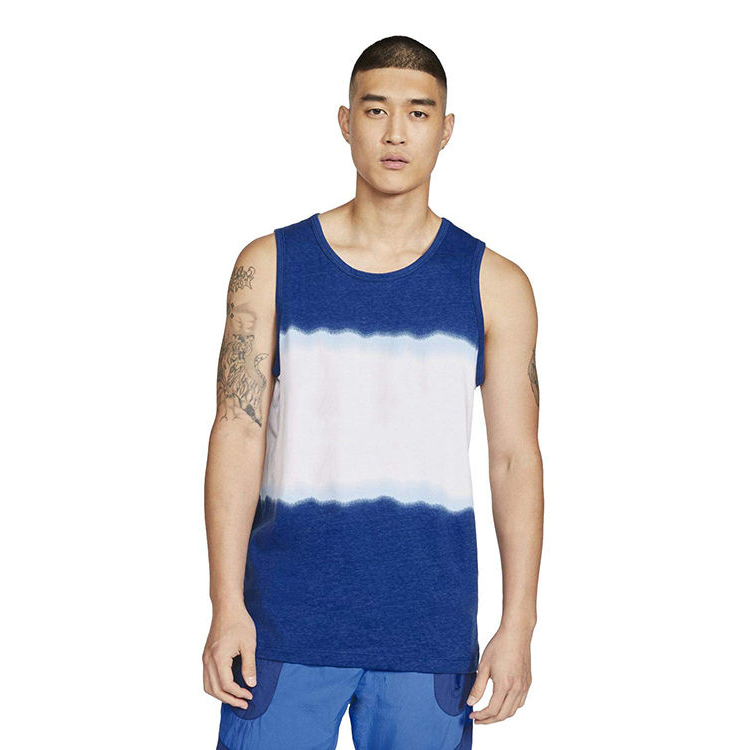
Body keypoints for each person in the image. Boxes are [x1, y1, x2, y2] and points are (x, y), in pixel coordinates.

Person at [203, 34, 544, 750]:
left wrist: (519, 623)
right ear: (345, 121)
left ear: (446, 129)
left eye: (418, 113)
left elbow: (515, 459)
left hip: (428, 631)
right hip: (283, 627)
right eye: (375, 109)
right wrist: (225, 602)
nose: (395, 133)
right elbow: (236, 431)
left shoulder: (495, 285)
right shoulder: (269, 266)